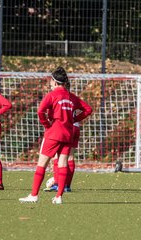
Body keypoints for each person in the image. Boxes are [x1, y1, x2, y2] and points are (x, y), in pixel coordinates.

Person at [19, 67, 91, 204]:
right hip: (68, 133)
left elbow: (40, 111)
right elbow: (88, 109)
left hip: (54, 133)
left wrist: (47, 125)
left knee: (42, 164)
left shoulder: (52, 95)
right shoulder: (71, 96)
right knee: (63, 163)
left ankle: (34, 195)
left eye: (50, 80)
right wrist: (73, 119)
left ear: (54, 81)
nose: (49, 83)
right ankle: (59, 197)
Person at [44, 82, 92, 193]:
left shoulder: (58, 97)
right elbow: (88, 109)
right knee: (69, 157)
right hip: (75, 128)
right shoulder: (72, 98)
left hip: (65, 129)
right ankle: (67, 185)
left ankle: (58, 184)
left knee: (57, 157)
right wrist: (75, 119)